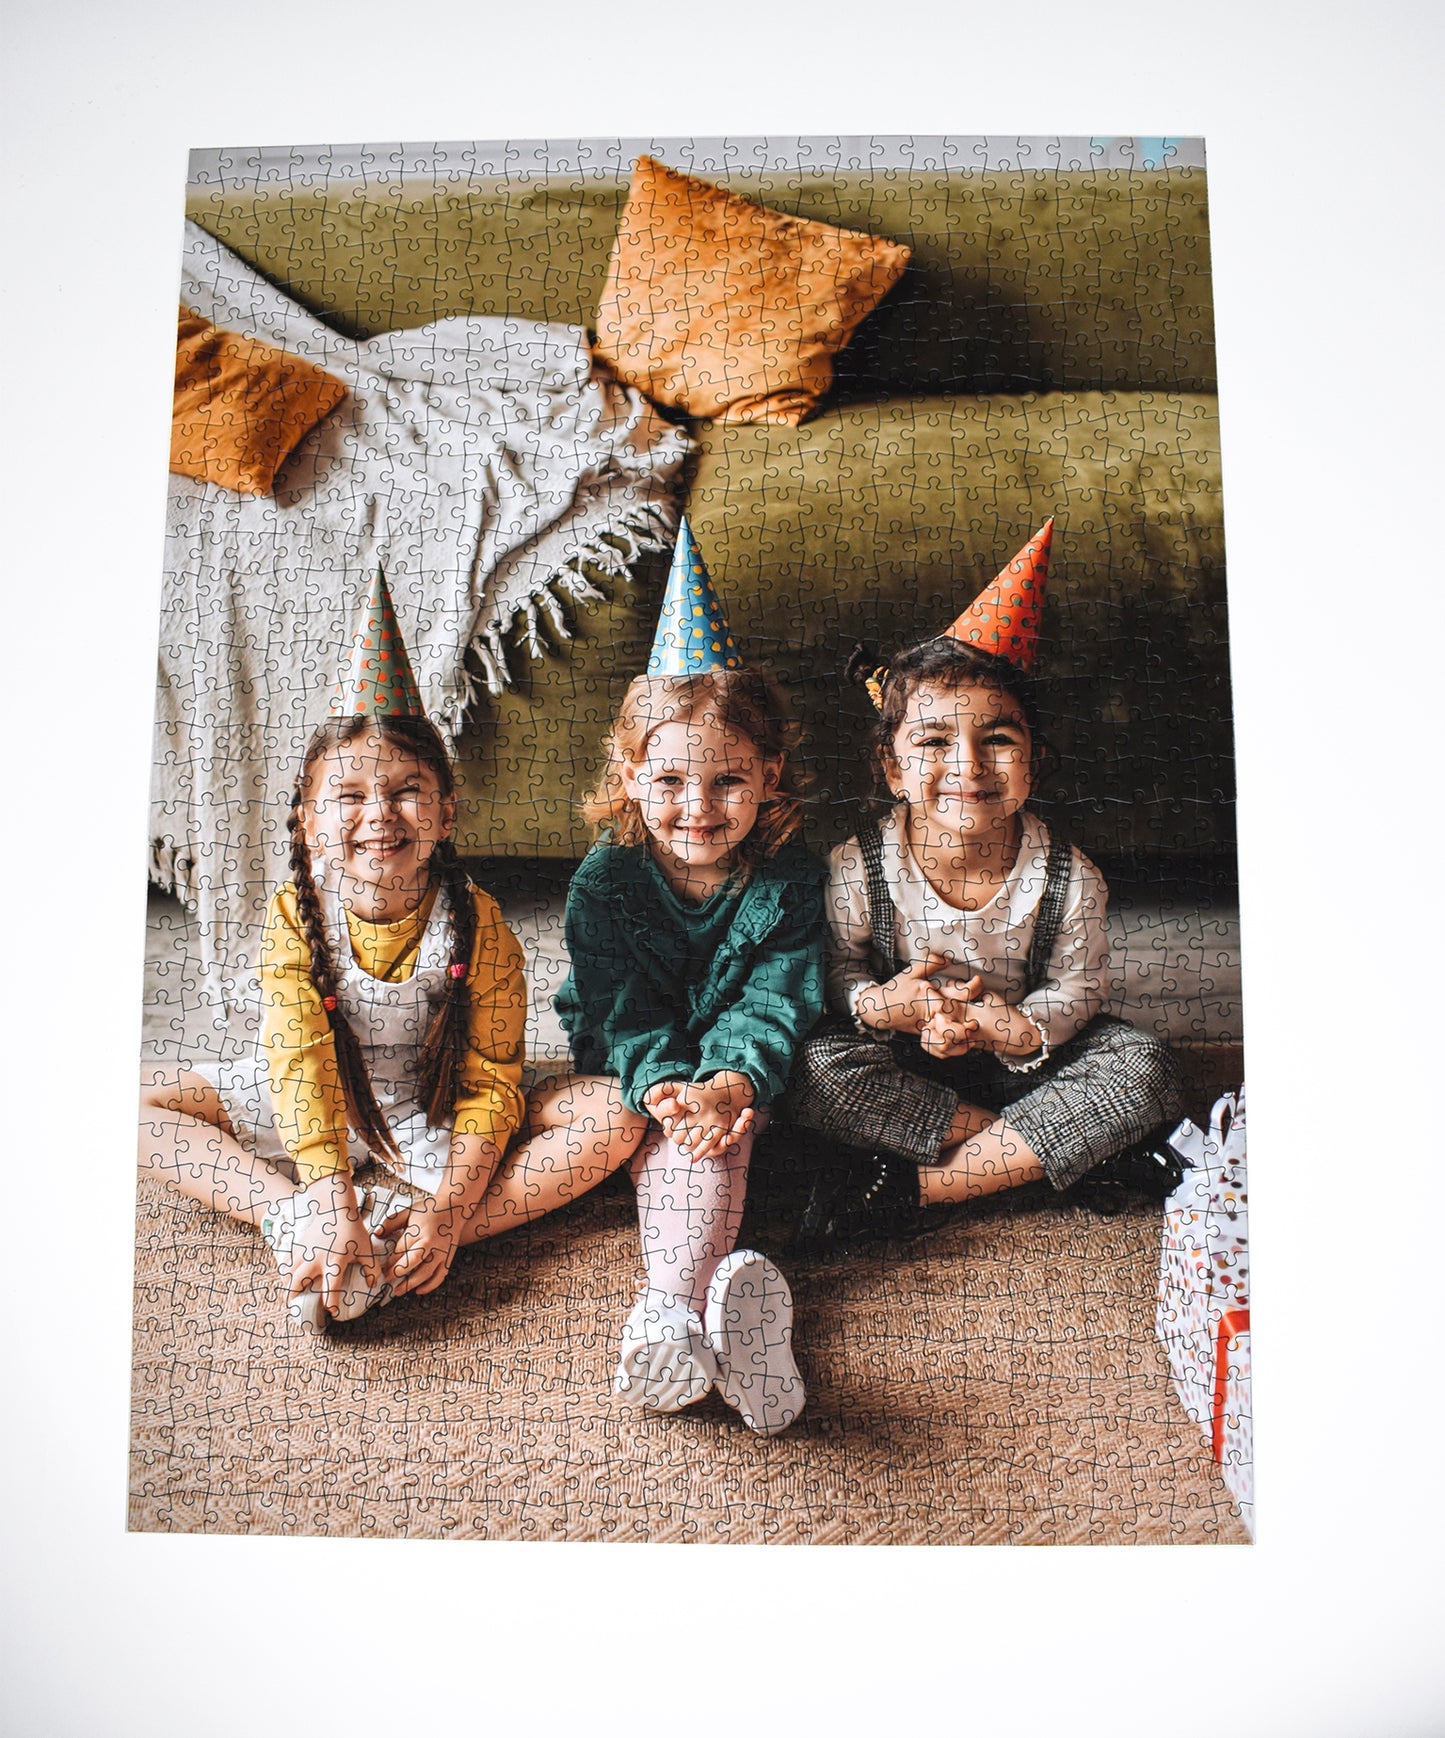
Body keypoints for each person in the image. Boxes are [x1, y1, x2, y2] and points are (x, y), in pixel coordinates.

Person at [139, 570, 638, 1330]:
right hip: (317, 1103)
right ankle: (293, 1221)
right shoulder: (294, 918)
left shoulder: (480, 924)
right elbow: (300, 1064)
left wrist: (451, 1208)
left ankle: (424, 1242)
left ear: (446, 812)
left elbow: (490, 1079)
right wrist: (326, 1200)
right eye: (348, 796)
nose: (380, 813)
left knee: (619, 1114)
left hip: (434, 1106)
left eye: (407, 789)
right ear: (308, 824)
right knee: (129, 1103)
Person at [786, 520, 1182, 1245]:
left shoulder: (1067, 876)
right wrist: (879, 1004)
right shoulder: (858, 865)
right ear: (892, 769)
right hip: (901, 1059)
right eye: (934, 742)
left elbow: (1078, 986)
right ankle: (1052, 1154)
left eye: (997, 738)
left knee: (1143, 1068)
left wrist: (1021, 1027)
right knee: (810, 1068)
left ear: (1034, 759)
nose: (968, 766)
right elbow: (839, 968)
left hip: (1023, 1060)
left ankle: (912, 1189)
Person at [551, 519, 825, 1434]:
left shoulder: (788, 879)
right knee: (682, 1133)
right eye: (669, 781)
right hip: (634, 1061)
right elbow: (619, 1010)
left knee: (724, 1132)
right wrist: (673, 1087)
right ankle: (693, 1313)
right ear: (630, 775)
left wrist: (726, 1082)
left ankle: (672, 1315)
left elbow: (776, 998)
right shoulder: (604, 882)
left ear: (770, 774)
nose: (697, 808)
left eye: (728, 782)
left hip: (743, 1069)